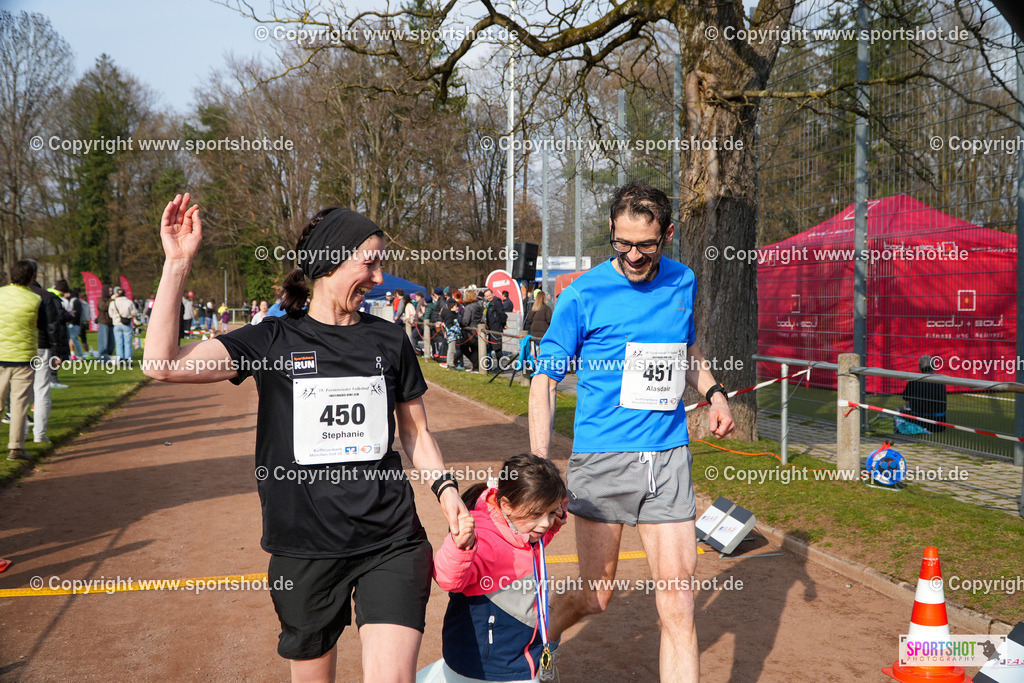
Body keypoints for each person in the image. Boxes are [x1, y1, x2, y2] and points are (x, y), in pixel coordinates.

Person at [143, 193, 474, 682]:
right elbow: (162, 365)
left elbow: (415, 431)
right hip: (305, 548)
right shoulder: (272, 340)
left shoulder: (389, 340)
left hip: (392, 539)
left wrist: (446, 492)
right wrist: (177, 265)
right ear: (329, 261)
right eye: (370, 263)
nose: (380, 279)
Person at [528, 180, 735, 682]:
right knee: (596, 597)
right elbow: (544, 380)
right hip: (603, 460)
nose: (634, 255)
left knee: (679, 601)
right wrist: (539, 462)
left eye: (646, 244)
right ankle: (540, 640)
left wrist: (714, 392)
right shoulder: (582, 294)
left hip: (667, 456)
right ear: (611, 233)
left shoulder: (683, 281)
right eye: (623, 243)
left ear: (667, 234)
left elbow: (684, 352)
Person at [419, 454, 568, 683]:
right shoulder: (484, 539)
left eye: (551, 512)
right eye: (538, 514)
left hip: (518, 658)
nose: (545, 523)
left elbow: (530, 545)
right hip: (486, 667)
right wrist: (462, 546)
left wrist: (554, 524)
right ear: (507, 505)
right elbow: (448, 579)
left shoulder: (523, 530)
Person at [0, 260, 43, 462]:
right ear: (33, 277)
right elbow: (41, 326)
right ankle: (16, 448)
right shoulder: (35, 299)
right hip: (23, 358)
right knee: (19, 405)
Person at [27, 266, 63, 439]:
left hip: (17, 347)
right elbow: (53, 326)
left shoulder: (8, 295)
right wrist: (57, 352)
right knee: (41, 390)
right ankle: (39, 434)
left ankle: (19, 436)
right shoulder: (46, 296)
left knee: (19, 393)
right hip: (41, 346)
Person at [895, 355, 947, 434]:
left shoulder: (914, 380)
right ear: (934, 367)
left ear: (919, 367)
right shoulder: (941, 381)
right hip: (940, 424)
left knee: (900, 410)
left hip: (919, 422)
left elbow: (904, 397)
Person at [109, 287, 137, 365]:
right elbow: (134, 312)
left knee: (119, 343)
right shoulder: (129, 302)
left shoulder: (113, 303)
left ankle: (120, 358)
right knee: (128, 343)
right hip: (126, 324)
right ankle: (128, 359)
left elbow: (110, 314)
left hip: (117, 324)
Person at [523, 291, 552, 362]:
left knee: (534, 351)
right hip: (543, 333)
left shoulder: (534, 308)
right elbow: (549, 320)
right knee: (542, 351)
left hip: (534, 332)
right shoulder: (547, 308)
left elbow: (529, 319)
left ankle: (532, 366)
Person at [459, 289, 484, 371]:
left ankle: (476, 365)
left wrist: (459, 321)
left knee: (463, 347)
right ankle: (476, 367)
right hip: (477, 330)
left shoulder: (469, 308)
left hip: (470, 332)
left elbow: (465, 321)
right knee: (475, 350)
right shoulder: (479, 306)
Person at [482, 289, 507, 363]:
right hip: (491, 328)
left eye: (489, 295)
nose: (488, 297)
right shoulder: (490, 303)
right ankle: (488, 365)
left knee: (497, 349)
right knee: (491, 347)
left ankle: (500, 366)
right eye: (487, 296)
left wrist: (503, 324)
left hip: (496, 328)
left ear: (493, 294)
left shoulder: (496, 302)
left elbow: (502, 314)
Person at [439, 298, 463, 371]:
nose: (457, 308)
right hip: (451, 335)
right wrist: (457, 329)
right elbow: (449, 326)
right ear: (452, 306)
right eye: (456, 307)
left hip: (453, 334)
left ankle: (451, 364)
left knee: (453, 350)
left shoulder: (453, 314)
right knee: (451, 350)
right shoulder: (450, 315)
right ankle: (450, 365)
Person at [96, 285, 115, 360]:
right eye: (109, 291)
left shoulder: (112, 300)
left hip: (111, 323)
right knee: (103, 342)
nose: (111, 293)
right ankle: (102, 358)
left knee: (111, 343)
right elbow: (103, 307)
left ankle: (108, 356)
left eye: (111, 291)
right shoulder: (101, 300)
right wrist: (111, 300)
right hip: (103, 323)